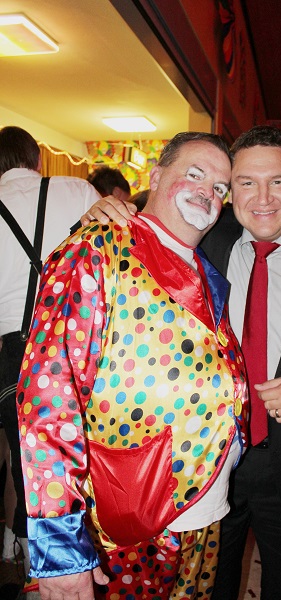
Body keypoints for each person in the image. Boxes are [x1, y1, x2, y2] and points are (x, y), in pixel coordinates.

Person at [84, 125, 281, 600]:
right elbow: (148, 226)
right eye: (246, 183)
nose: (262, 198)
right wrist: (102, 213)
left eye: (277, 181)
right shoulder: (204, 237)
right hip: (206, 464)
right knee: (211, 583)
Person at [17, 132, 248, 600]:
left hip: (204, 507)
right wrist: (60, 547)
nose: (207, 191)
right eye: (195, 174)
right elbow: (48, 394)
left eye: (220, 187)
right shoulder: (97, 248)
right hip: (130, 519)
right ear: (156, 176)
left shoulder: (205, 267)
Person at [0, 125, 101, 594]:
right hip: (77, 346)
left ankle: (35, 570)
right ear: (37, 158)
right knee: (87, 464)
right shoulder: (77, 191)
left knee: (30, 472)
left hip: (13, 354)